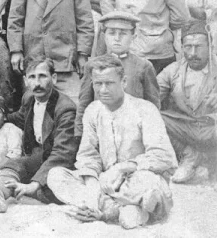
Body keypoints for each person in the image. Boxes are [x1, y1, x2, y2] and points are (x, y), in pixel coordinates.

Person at [50, 56, 177, 230]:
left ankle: (120, 209)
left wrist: (122, 168)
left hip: (137, 178)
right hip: (105, 182)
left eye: (109, 83)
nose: (102, 90)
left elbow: (164, 156)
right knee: (56, 176)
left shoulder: (145, 109)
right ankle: (122, 210)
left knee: (149, 183)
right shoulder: (92, 111)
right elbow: (88, 156)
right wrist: (93, 189)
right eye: (97, 84)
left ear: (123, 82)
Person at [0, 55, 78, 213]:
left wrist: (34, 184)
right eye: (32, 77)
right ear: (25, 80)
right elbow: (19, 118)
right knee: (14, 165)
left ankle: (28, 191)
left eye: (42, 76)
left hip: (58, 163)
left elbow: (63, 154)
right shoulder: (29, 98)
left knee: (52, 188)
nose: (37, 83)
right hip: (38, 156)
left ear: (54, 78)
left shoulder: (65, 109)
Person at [75, 12, 161, 137]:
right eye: (112, 33)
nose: (117, 38)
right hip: (101, 133)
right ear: (104, 36)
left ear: (133, 36)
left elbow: (153, 106)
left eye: (123, 33)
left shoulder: (143, 66)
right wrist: (80, 135)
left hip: (133, 134)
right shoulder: (92, 66)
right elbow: (84, 104)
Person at [158, 21, 217, 183]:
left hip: (211, 127)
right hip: (186, 127)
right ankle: (190, 156)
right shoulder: (173, 70)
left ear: (210, 46)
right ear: (182, 47)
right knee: (154, 117)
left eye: (198, 47)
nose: (192, 53)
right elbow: (152, 96)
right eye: (188, 47)